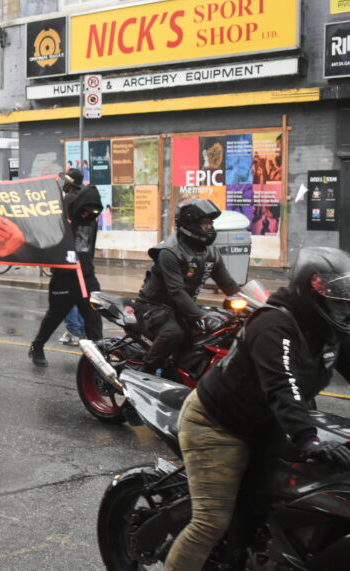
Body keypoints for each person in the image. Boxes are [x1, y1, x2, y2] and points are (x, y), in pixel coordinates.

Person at [163, 247, 350, 571]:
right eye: (336, 299)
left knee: (285, 498)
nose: (342, 307)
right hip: (219, 424)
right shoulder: (275, 324)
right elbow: (283, 386)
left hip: (269, 422)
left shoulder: (330, 328)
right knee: (211, 522)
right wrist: (309, 439)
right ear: (311, 290)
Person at [136, 198, 240, 375]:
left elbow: (228, 284)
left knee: (221, 330)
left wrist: (257, 306)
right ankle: (145, 373)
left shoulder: (210, 252)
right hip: (153, 307)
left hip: (182, 307)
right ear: (190, 224)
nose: (209, 228)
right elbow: (176, 291)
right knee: (174, 333)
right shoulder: (170, 252)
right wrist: (202, 317)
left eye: (210, 223)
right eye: (205, 223)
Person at [27, 168, 104, 366]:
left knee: (93, 316)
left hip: (85, 275)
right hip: (65, 274)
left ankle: (99, 357)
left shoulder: (76, 203)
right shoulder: (71, 205)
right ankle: (37, 346)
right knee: (55, 316)